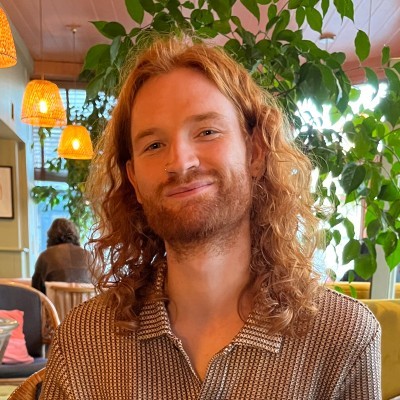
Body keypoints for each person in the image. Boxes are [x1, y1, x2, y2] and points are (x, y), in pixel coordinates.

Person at [40, 36, 381, 399]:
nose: (180, 162)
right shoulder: (82, 343)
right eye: (154, 145)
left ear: (255, 152)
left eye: (207, 132)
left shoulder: (344, 340)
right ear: (134, 180)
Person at [32, 218, 92, 294]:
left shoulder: (45, 257)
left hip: (53, 305)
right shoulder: (89, 256)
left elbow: (36, 290)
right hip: (87, 305)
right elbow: (98, 287)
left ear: (51, 236)